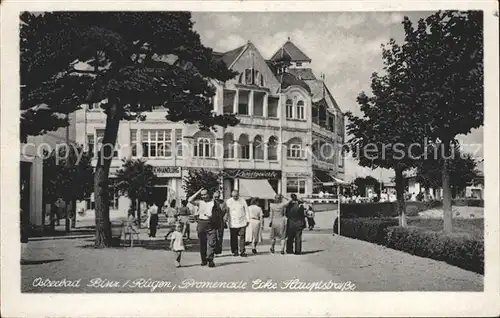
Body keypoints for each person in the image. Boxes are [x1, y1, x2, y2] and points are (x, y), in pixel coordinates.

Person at [188, 188, 217, 268]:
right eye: (202, 195)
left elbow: (218, 213)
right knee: (202, 243)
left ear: (209, 194)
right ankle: (203, 260)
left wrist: (213, 218)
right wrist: (199, 191)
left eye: (205, 194)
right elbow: (190, 200)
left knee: (212, 242)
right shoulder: (200, 202)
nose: (203, 196)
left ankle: (210, 259)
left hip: (211, 223)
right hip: (201, 223)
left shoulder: (213, 202)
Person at [225, 190, 250, 257]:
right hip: (232, 223)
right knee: (233, 238)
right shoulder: (229, 201)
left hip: (242, 222)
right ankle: (235, 251)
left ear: (238, 195)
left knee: (242, 237)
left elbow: (246, 210)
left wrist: (248, 220)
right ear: (231, 195)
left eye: (236, 196)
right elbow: (226, 211)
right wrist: (226, 220)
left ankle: (242, 251)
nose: (235, 197)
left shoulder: (242, 200)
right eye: (233, 196)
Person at [212, 191, 228, 256]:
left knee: (220, 236)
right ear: (213, 196)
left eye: (217, 197)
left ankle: (218, 251)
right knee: (213, 236)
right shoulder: (210, 202)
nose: (216, 198)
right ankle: (212, 250)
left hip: (220, 221)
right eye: (215, 197)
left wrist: (225, 219)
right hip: (212, 221)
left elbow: (226, 211)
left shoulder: (223, 203)